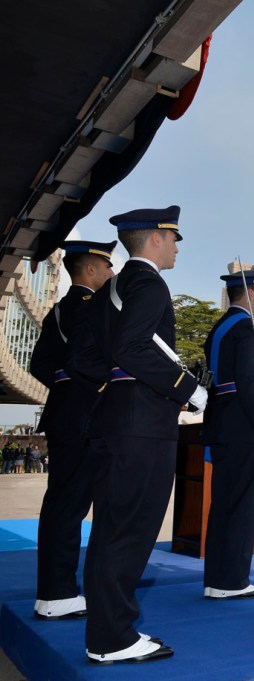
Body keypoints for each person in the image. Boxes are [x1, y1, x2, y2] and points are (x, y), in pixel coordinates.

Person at [78, 206, 206, 664]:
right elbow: (131, 347)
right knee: (131, 530)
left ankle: (105, 627)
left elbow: (87, 358)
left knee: (112, 530)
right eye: (173, 238)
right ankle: (112, 638)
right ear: (154, 239)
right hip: (142, 428)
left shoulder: (110, 287)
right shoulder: (149, 283)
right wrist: (190, 391)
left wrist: (119, 386)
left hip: (114, 418)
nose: (176, 247)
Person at [29, 239, 115, 621]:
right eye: (107, 266)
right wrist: (97, 390)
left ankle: (54, 590)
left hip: (65, 414)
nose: (112, 274)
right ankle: (59, 593)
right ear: (91, 270)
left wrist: (65, 387)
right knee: (71, 506)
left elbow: (40, 365)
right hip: (86, 416)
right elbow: (91, 361)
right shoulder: (89, 308)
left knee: (61, 504)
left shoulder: (59, 310)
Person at [202, 267, 254, 599]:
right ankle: (231, 581)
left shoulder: (220, 327)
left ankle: (217, 578)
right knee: (243, 506)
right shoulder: (248, 327)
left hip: (222, 424)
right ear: (251, 292)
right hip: (244, 429)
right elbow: (250, 383)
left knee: (224, 506)